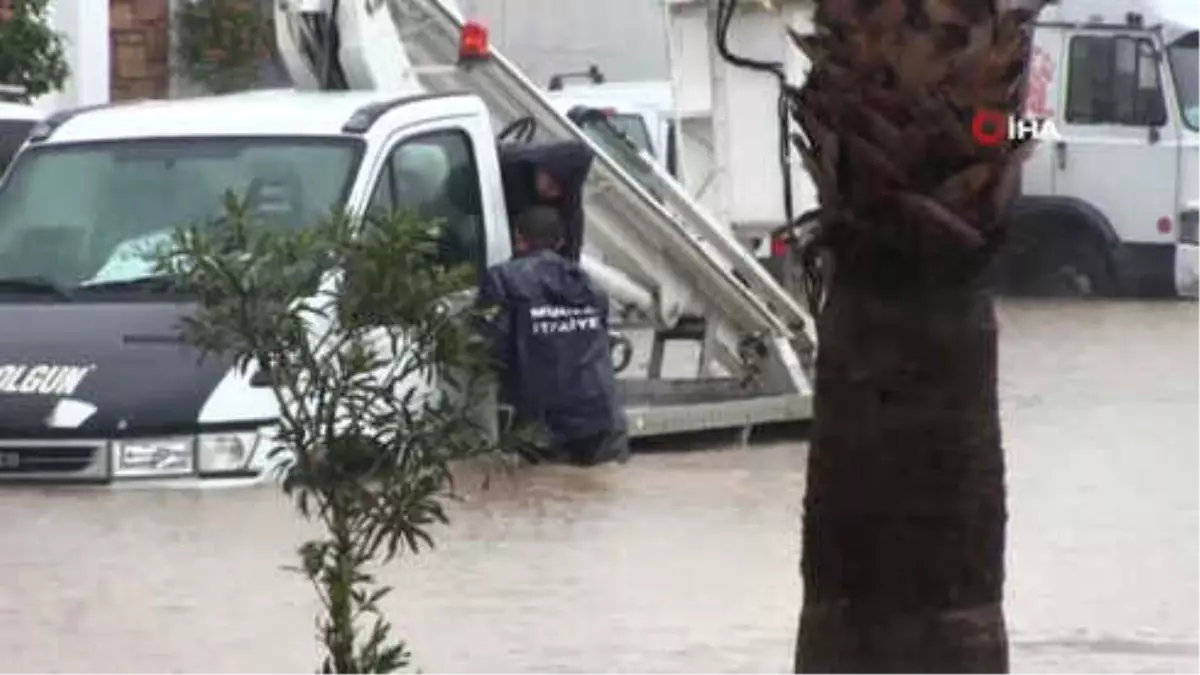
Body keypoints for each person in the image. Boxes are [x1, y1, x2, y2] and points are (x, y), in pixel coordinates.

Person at [476, 205, 627, 466]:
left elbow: (487, 346)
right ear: (561, 242)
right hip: (602, 416)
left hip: (546, 423)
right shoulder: (590, 285)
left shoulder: (503, 279)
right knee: (598, 495)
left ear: (518, 240)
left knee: (539, 495)